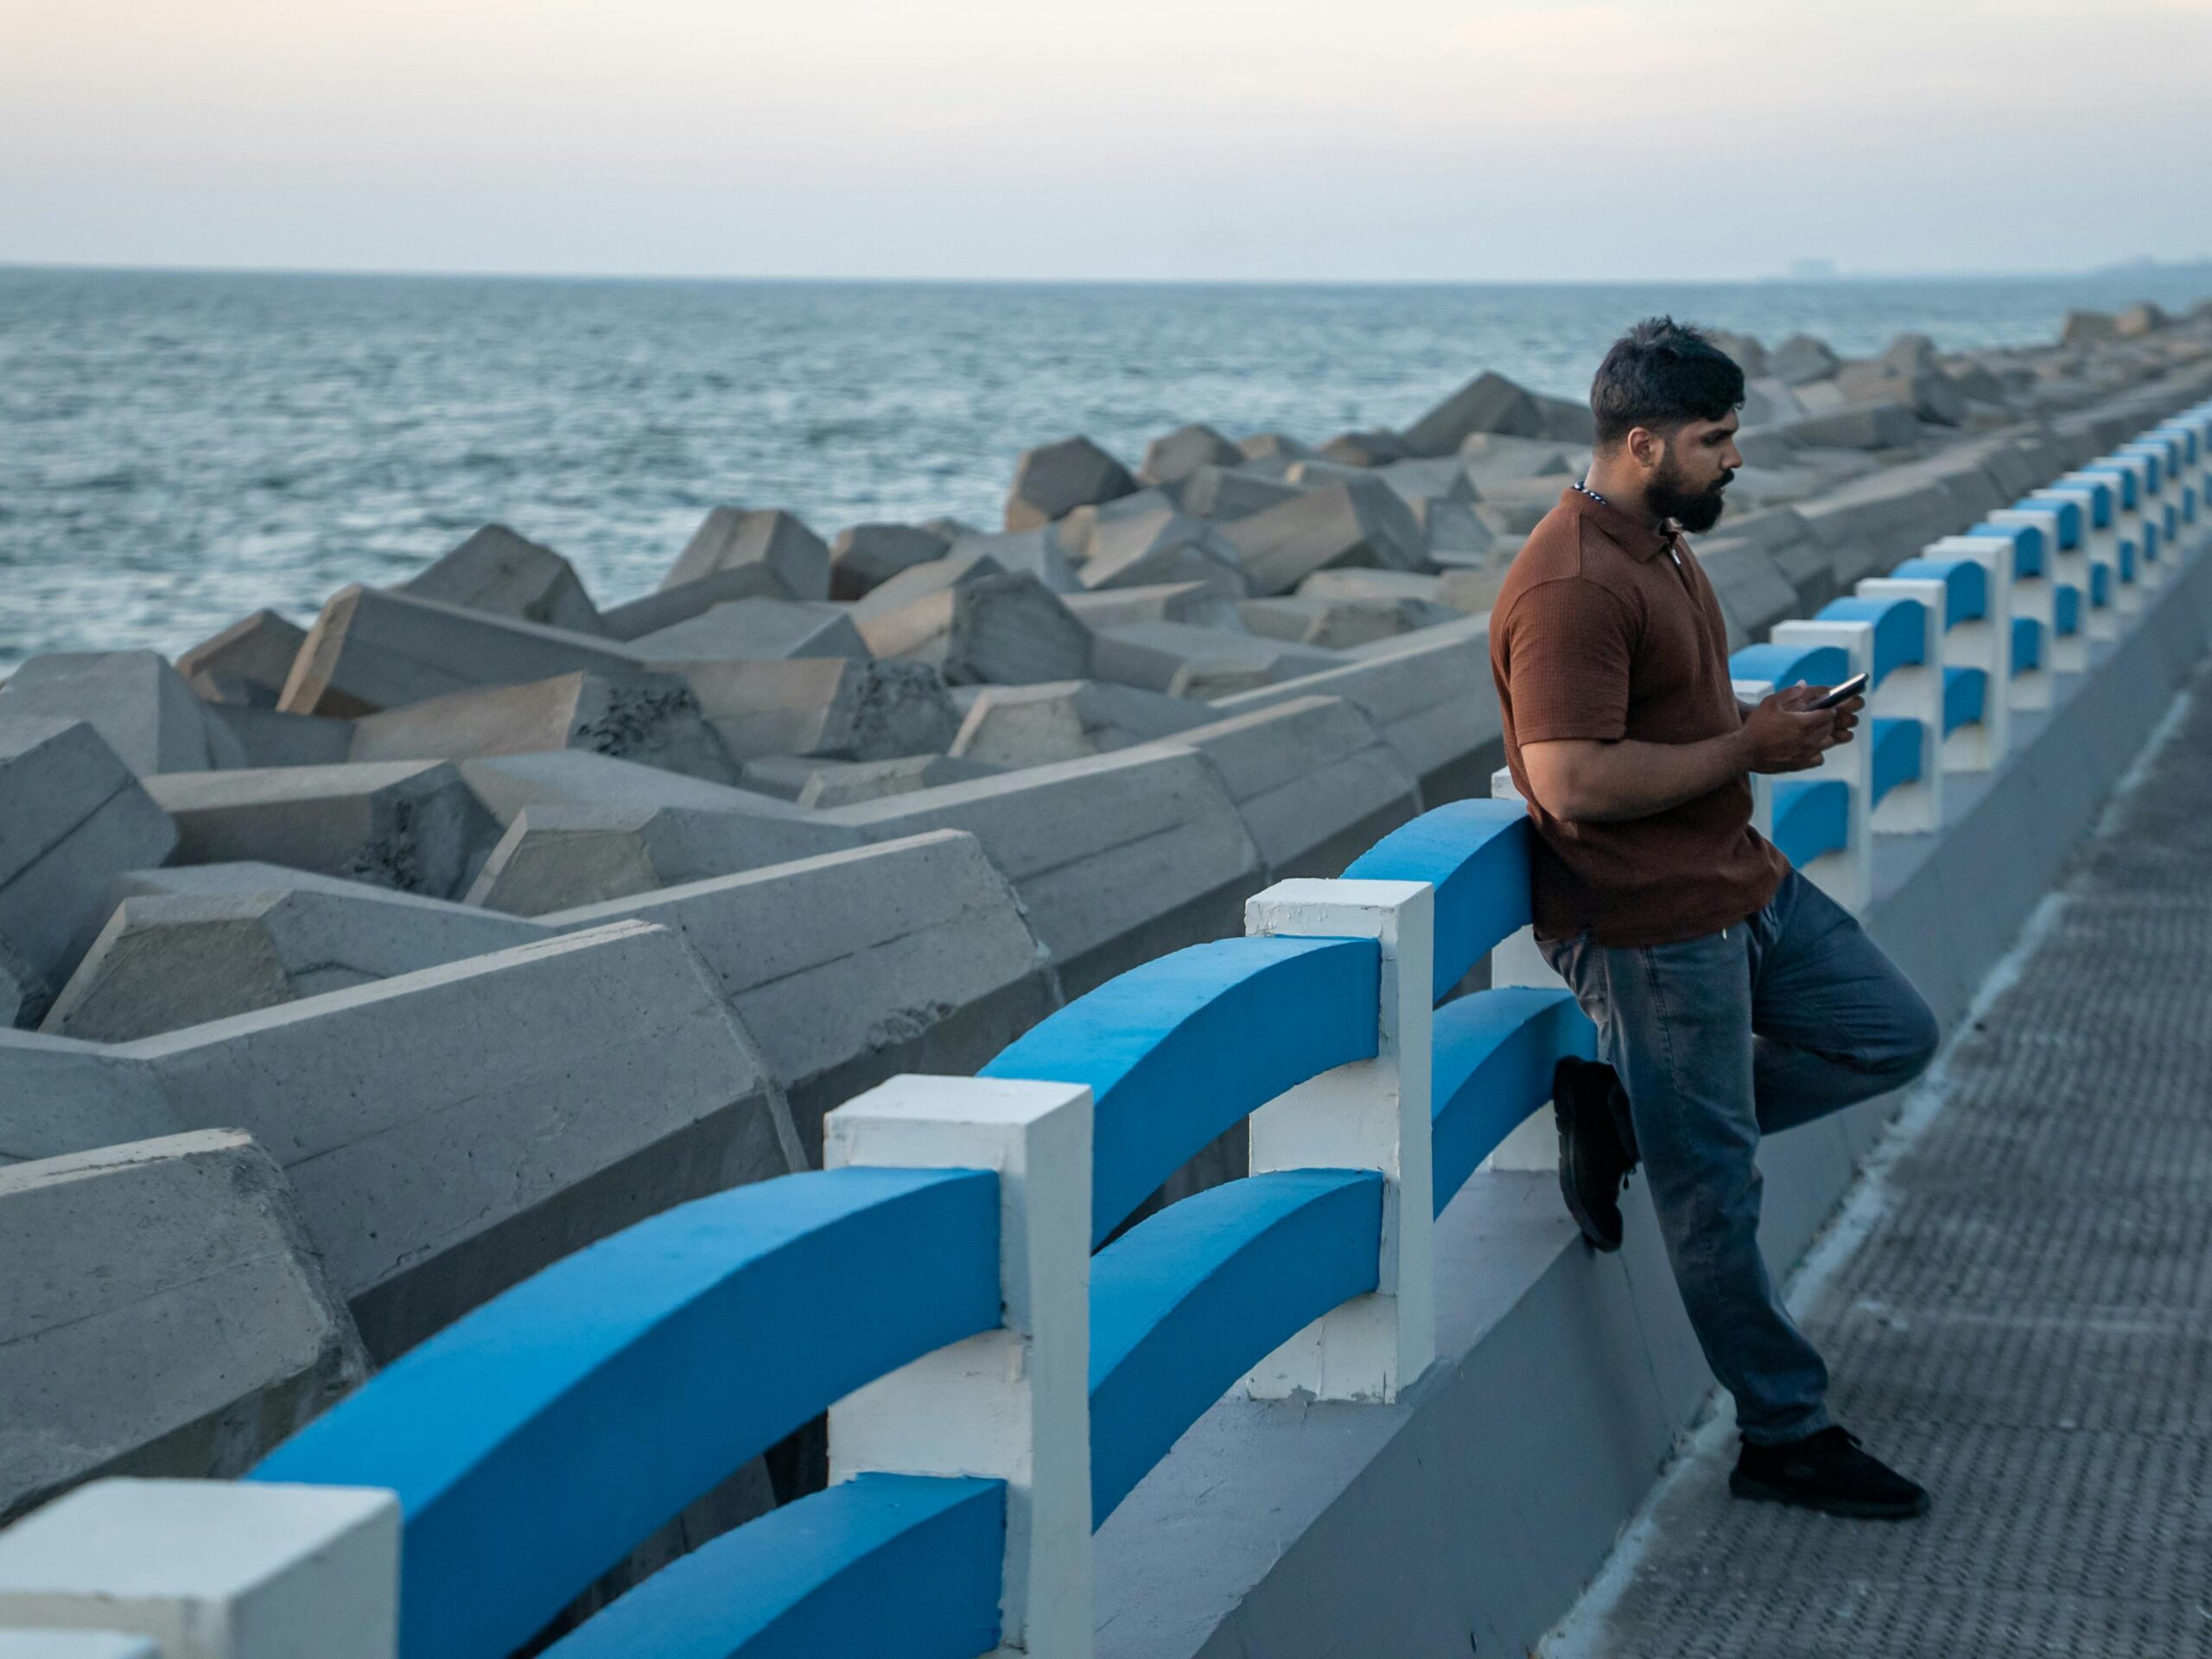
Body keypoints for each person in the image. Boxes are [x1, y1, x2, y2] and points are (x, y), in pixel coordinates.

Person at [1487, 317, 1942, 1521]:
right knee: (1713, 1189)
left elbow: (1664, 717)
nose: (1735, 457)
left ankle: (1630, 1108)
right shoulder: (1573, 585)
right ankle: (1784, 1432)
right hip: (1648, 926)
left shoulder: (1662, 543)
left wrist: (1764, 726)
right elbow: (1571, 780)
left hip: (1738, 880)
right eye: (1716, 437)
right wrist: (1749, 744)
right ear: (1645, 440)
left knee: (1890, 1033)